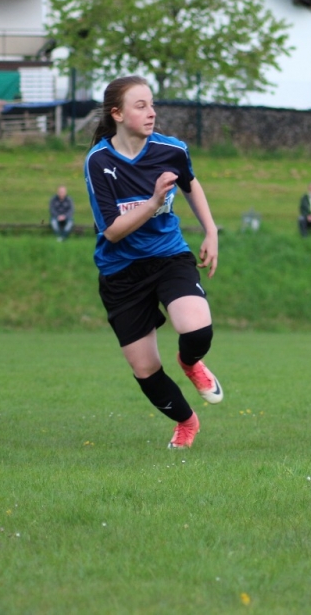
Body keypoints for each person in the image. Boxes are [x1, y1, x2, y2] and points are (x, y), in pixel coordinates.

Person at [84, 75, 222, 450]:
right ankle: (186, 422)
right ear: (117, 114)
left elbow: (190, 183)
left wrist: (210, 230)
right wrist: (153, 202)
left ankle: (190, 363)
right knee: (145, 370)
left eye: (152, 104)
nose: (151, 113)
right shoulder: (99, 162)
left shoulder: (171, 149)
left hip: (167, 256)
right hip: (121, 272)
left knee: (197, 330)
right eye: (141, 106)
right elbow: (112, 231)